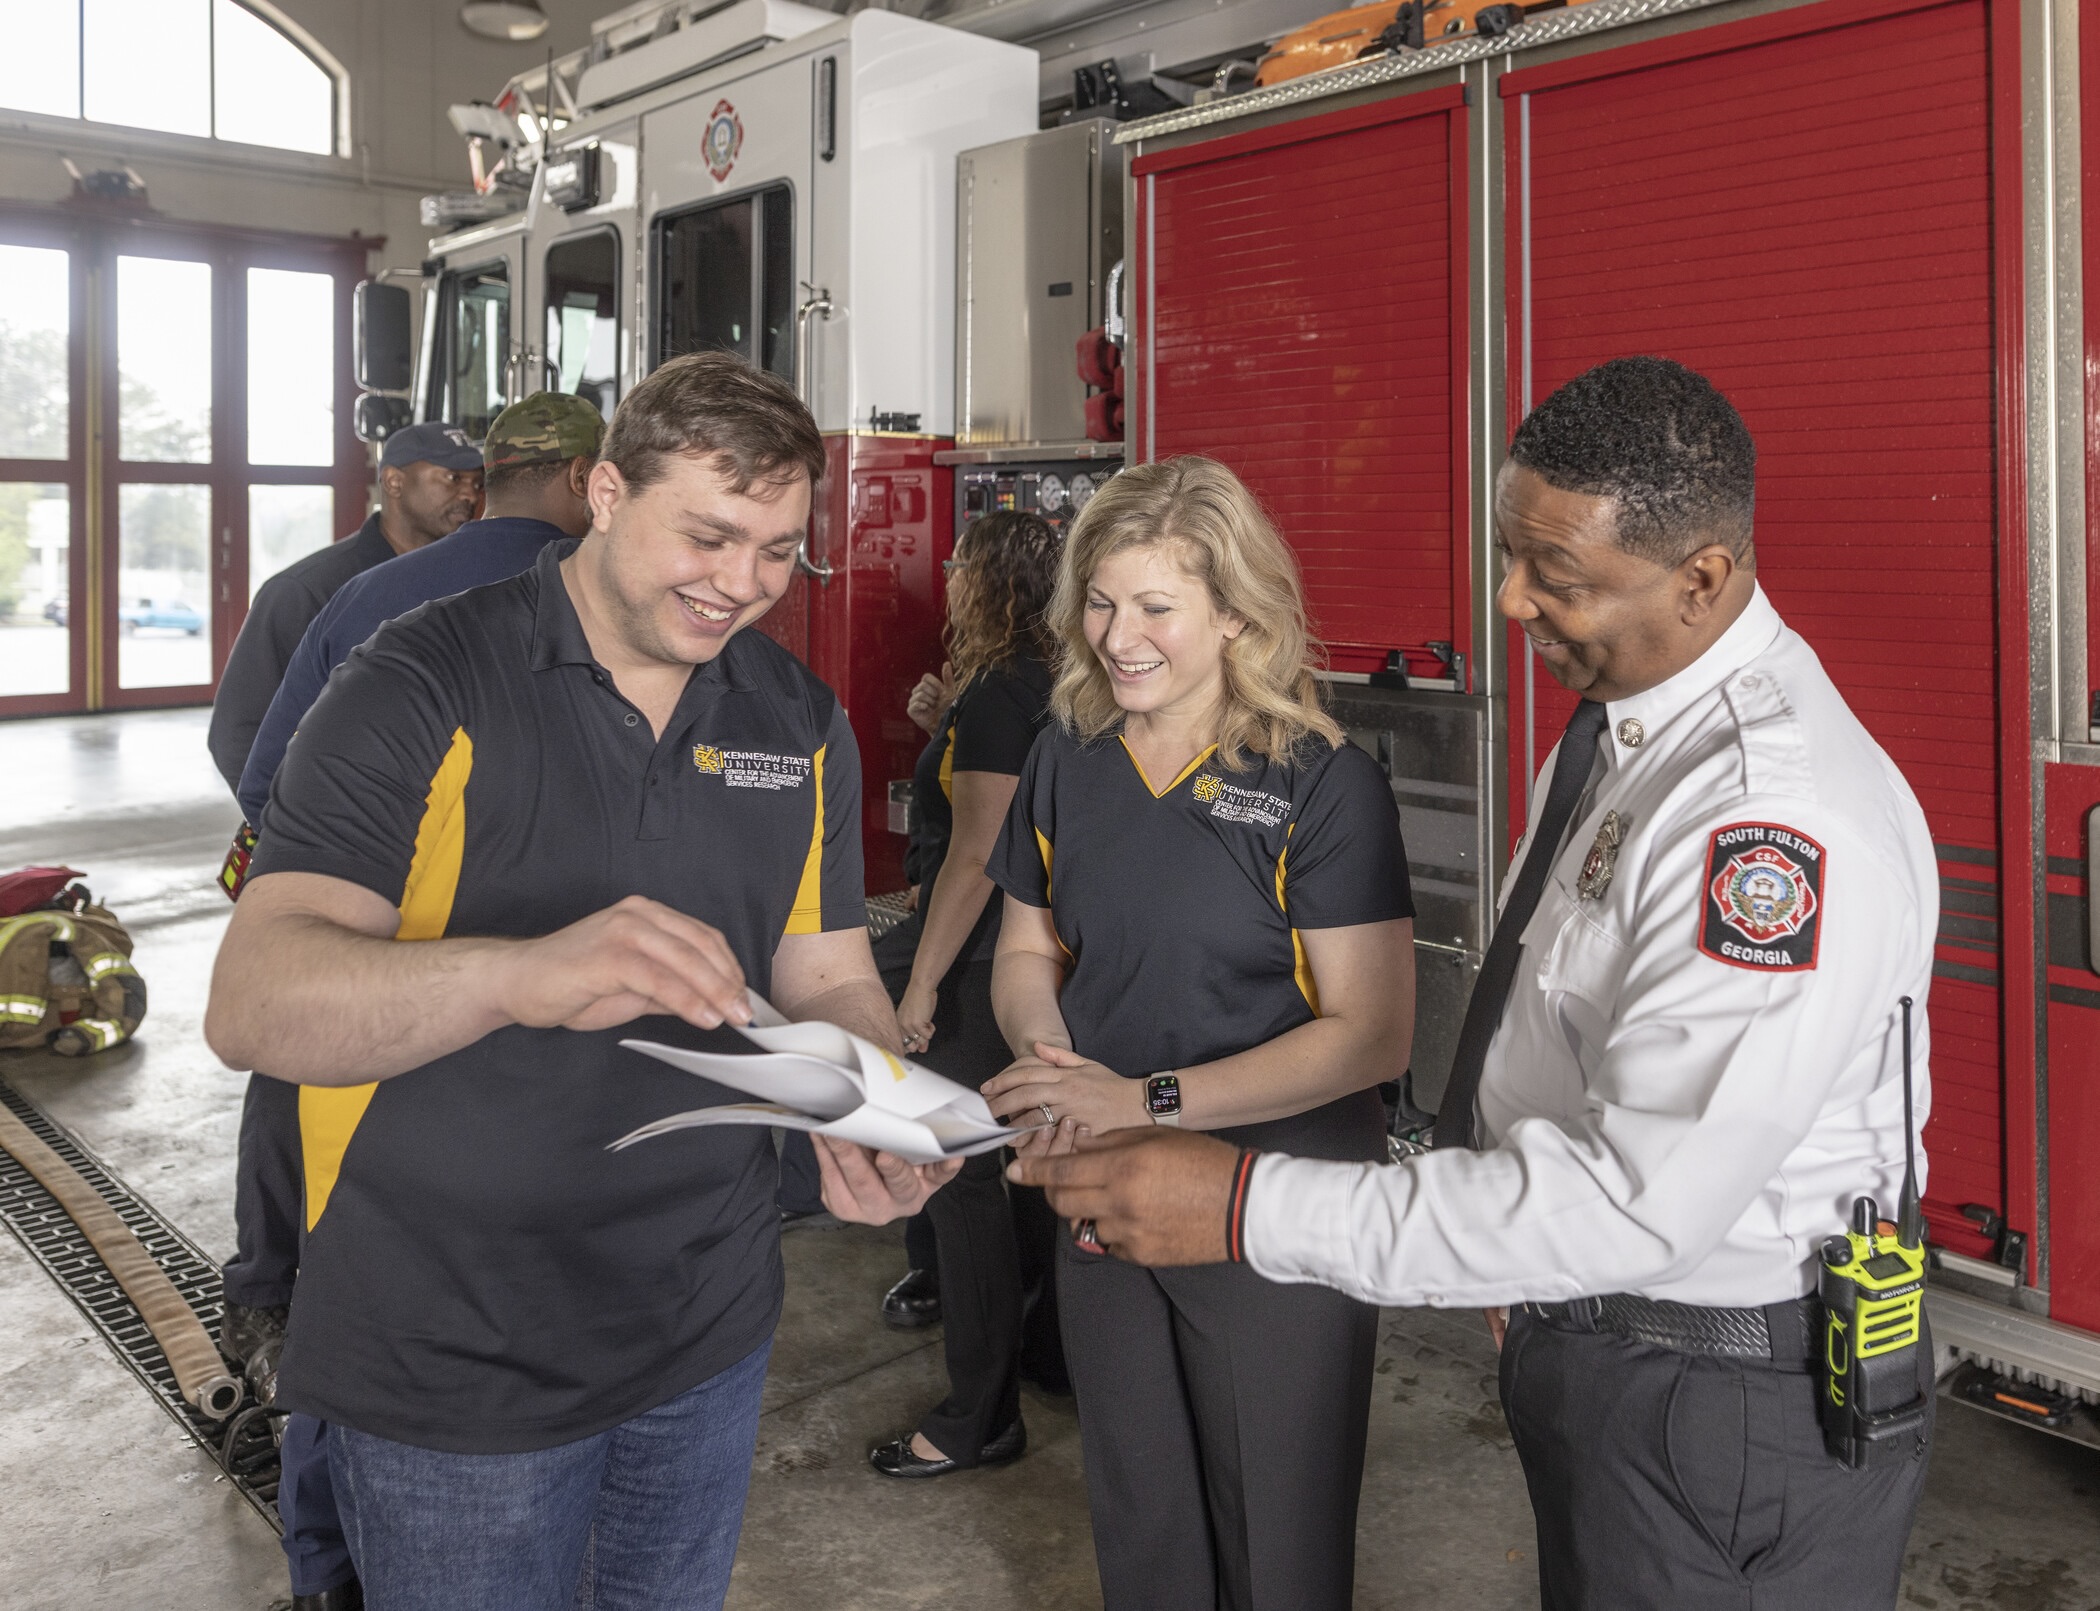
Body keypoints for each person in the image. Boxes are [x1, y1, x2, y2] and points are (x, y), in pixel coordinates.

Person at [1012, 358, 1940, 1611]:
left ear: (1703, 576)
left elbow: (1638, 1200)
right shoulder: (1631, 731)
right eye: (1513, 557)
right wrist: (1515, 1268)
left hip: (1716, 1404)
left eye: (1554, 578)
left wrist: (1243, 1208)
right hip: (1603, 1341)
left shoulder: (1770, 821)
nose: (1510, 602)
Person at [204, 352, 952, 1611]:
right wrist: (519, 974)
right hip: (453, 1349)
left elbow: (824, 972)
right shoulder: (419, 679)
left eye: (779, 551)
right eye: (709, 535)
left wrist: (869, 1105)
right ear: (604, 490)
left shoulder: (794, 719)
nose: (743, 585)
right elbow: (255, 1001)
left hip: (702, 1324)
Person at [981, 457, 1418, 1611]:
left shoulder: (1318, 783)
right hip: (1100, 1177)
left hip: (1274, 1200)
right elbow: (1027, 950)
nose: (1119, 636)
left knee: (1276, 1532)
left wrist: (1142, 1101)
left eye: (1157, 607)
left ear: (1235, 613)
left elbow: (1370, 1035)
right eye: (1102, 601)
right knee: (1143, 1510)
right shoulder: (1066, 752)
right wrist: (1052, 1070)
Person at [222, 392, 602, 1611]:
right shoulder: (608, 607)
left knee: (357, 1291)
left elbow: (269, 766)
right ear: (594, 481)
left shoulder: (367, 599)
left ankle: (333, 1568)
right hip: (542, 1062)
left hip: (365, 1013)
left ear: (487, 477)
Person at [865, 511, 1068, 1479]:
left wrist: (925, 985)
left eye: (958, 566)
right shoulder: (1049, 683)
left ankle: (977, 1418)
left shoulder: (994, 693)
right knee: (1020, 1167)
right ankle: (1041, 1356)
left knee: (962, 1183)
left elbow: (982, 852)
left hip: (980, 963)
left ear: (985, 583)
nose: (944, 577)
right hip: (1031, 959)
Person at [208, 422, 483, 796]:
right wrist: (299, 831)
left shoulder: (471, 583)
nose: (469, 493)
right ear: (394, 482)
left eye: (477, 482)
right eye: (453, 478)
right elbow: (238, 734)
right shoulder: (306, 590)